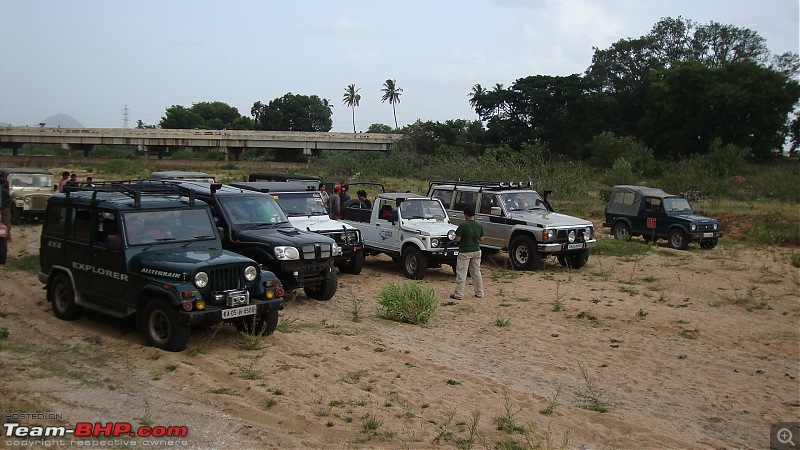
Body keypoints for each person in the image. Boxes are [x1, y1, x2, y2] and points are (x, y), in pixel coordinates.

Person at [451, 205, 484, 300]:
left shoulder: (463, 225)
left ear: (466, 214)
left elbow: (457, 239)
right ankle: (479, 292)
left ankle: (459, 294)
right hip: (476, 250)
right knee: (476, 272)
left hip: (465, 251)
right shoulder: (479, 225)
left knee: (461, 273)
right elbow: (481, 239)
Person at [0, 172, 11, 241]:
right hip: (4, 208)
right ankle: (7, 237)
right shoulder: (4, 190)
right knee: (7, 222)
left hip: (4, 207)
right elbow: (9, 198)